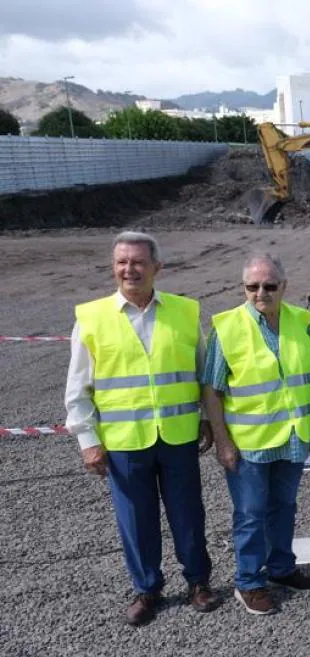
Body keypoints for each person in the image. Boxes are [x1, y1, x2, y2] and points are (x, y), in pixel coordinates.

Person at [65, 231, 219, 626]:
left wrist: (205, 418)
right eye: (121, 262)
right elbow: (78, 388)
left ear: (156, 268)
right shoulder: (91, 318)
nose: (128, 269)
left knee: (188, 514)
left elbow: (201, 372)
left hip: (178, 436)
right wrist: (88, 441)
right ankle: (147, 588)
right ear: (114, 267)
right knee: (136, 519)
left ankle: (198, 582)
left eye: (137, 262)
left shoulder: (185, 312)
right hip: (124, 442)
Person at [201, 254, 310, 616]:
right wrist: (222, 440)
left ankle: (282, 568)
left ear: (284, 287)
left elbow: (308, 381)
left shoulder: (303, 323)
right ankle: (249, 581)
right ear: (244, 288)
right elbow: (212, 390)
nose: (261, 293)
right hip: (249, 443)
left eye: (269, 286)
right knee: (251, 513)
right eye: (253, 287)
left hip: (293, 435)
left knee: (284, 506)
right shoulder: (228, 328)